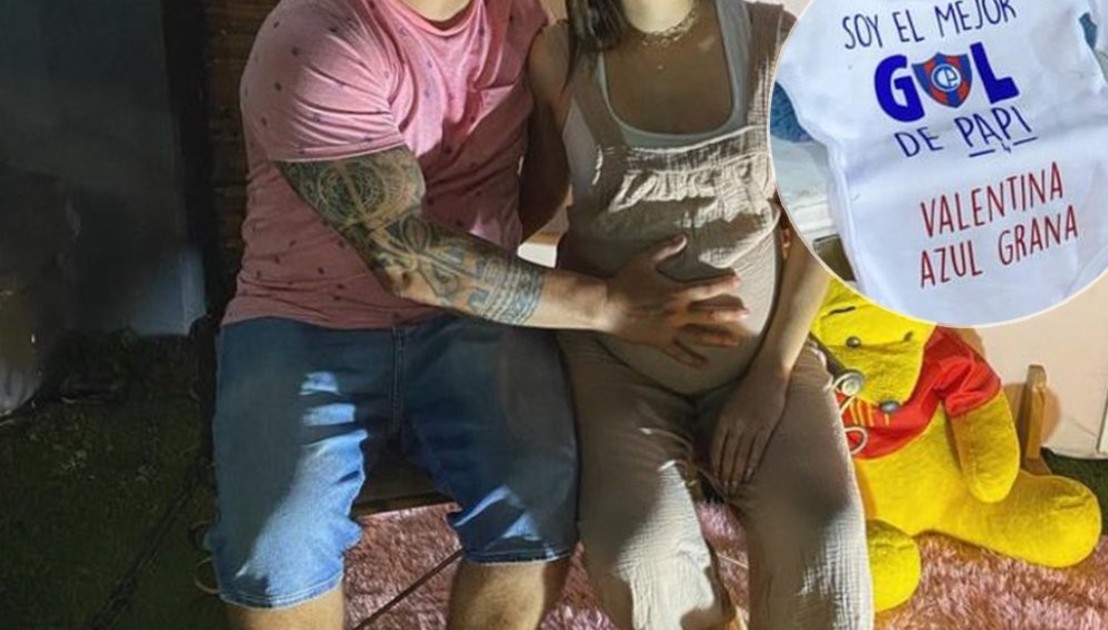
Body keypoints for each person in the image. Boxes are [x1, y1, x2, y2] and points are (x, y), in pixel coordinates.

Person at [209, 0, 751, 628]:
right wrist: (609, 305)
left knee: (536, 503)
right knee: (279, 544)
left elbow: (537, 188)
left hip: (469, 320)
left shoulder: (520, 19)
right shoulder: (317, 38)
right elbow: (405, 259)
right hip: (303, 315)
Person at [525, 0, 874, 627]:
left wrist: (771, 376)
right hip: (617, 369)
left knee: (828, 536)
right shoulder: (558, 56)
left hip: (764, 358)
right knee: (641, 555)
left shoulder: (775, 44)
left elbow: (827, 220)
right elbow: (529, 199)